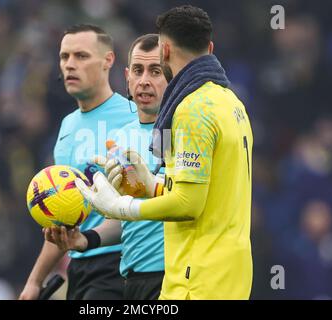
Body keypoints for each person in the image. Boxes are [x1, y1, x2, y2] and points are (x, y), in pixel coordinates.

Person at [74, 5, 253, 300]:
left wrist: (122, 208)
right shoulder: (231, 102)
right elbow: (207, 195)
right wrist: (153, 186)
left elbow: (187, 205)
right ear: (209, 47)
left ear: (165, 50)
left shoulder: (192, 109)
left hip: (196, 279)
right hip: (232, 274)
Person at [45, 34, 169, 300]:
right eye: (138, 71)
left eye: (155, 71)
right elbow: (121, 220)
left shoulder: (175, 131)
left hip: (172, 277)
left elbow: (184, 203)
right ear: (127, 77)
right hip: (132, 279)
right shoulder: (121, 139)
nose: (144, 80)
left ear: (172, 76)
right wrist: (86, 239)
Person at [19, 24, 137, 300]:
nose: (70, 65)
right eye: (64, 57)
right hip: (79, 266)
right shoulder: (67, 126)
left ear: (108, 61)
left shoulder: (134, 117)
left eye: (81, 56)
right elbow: (64, 222)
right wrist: (35, 281)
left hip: (121, 263)